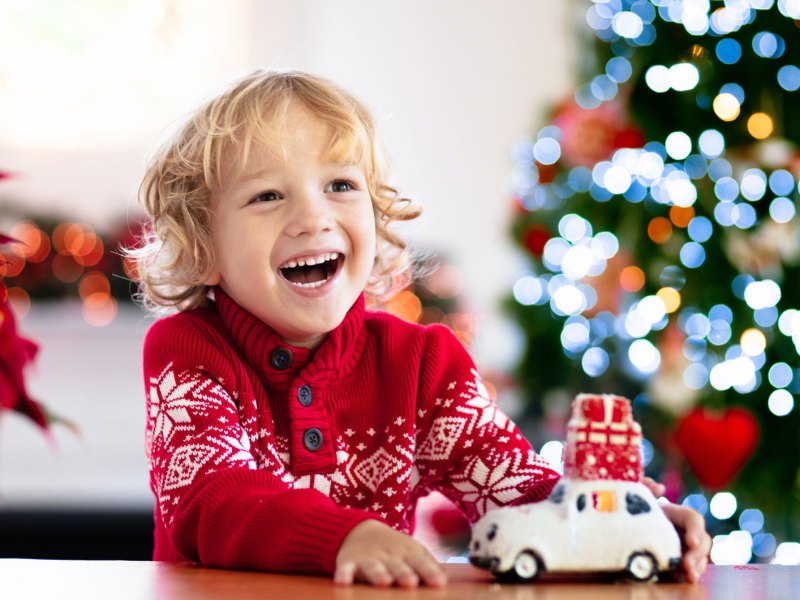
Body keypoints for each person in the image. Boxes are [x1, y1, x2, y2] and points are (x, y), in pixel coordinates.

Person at [130, 69, 710, 588]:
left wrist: (623, 519)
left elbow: (514, 487)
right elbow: (210, 500)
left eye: (340, 185)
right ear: (204, 250)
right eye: (267, 195)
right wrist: (340, 538)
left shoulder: (421, 363)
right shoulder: (190, 350)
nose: (312, 217)